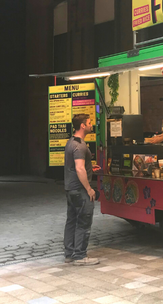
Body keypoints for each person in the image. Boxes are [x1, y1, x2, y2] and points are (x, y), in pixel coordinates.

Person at [63, 114, 99, 266]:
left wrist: (90, 168)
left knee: (71, 221)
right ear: (83, 126)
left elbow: (77, 166)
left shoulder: (71, 142)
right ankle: (80, 255)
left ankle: (70, 253)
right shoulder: (80, 146)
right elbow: (79, 168)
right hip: (80, 190)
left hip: (70, 189)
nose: (92, 125)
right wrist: (89, 189)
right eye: (89, 123)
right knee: (84, 222)